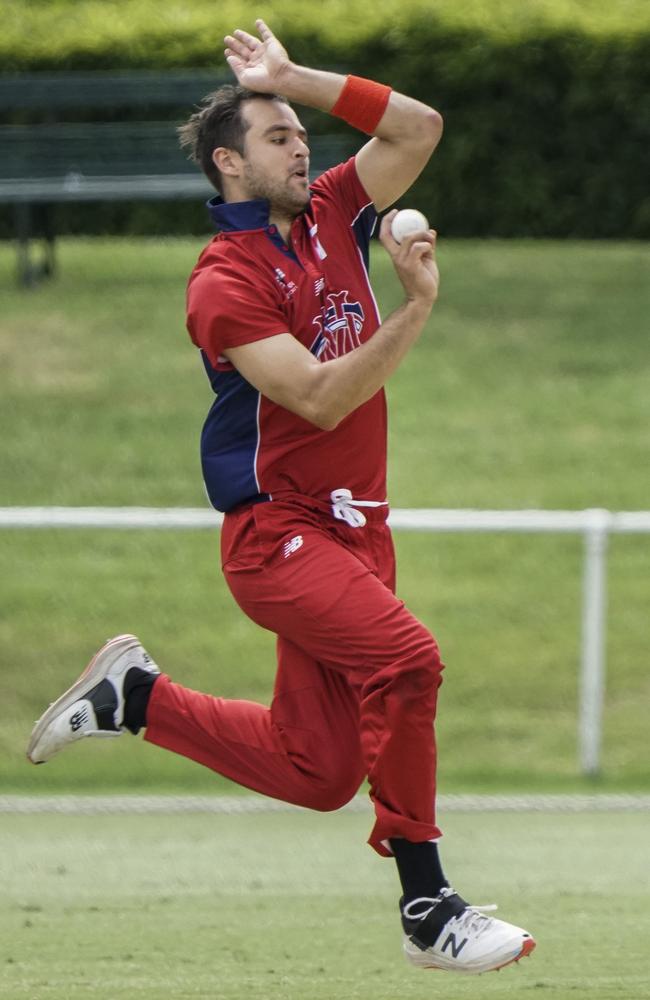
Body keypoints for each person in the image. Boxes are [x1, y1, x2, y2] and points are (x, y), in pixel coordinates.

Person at [27, 19, 535, 975]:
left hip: (355, 536)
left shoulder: (340, 207)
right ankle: (429, 907)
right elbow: (319, 393)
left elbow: (419, 128)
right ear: (228, 162)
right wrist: (417, 307)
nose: (303, 143)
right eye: (277, 135)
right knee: (411, 662)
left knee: (319, 772)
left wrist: (293, 77)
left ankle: (138, 699)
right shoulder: (223, 281)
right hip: (276, 537)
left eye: (302, 131)